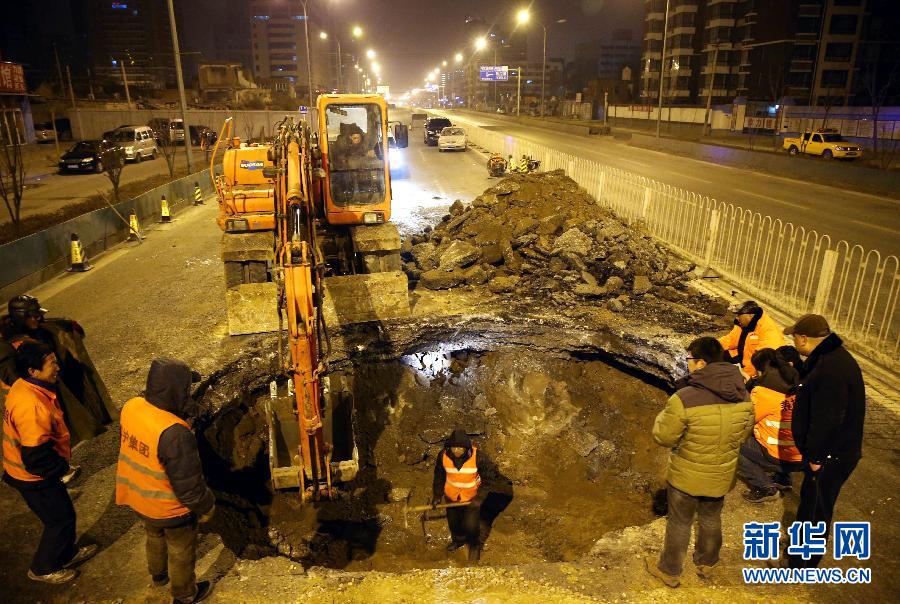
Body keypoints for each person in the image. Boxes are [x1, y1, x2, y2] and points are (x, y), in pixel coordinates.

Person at [646, 337, 754, 588]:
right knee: (710, 518)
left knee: (680, 522)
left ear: (702, 362)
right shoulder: (743, 395)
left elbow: (664, 436)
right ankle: (708, 562)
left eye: (690, 360)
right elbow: (745, 433)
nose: (688, 365)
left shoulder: (686, 397)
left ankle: (670, 571)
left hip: (687, 474)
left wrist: (667, 419)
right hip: (721, 473)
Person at [115, 358, 215, 603]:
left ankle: (158, 576)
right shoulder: (174, 434)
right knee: (181, 549)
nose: (188, 393)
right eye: (185, 389)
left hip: (137, 495)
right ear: (175, 390)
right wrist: (206, 506)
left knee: (154, 535)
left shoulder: (132, 406)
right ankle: (184, 595)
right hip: (168, 507)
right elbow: (189, 487)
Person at [2, 340, 98, 583]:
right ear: (33, 371)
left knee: (64, 515)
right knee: (59, 521)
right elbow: (35, 457)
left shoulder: (25, 386)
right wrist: (60, 469)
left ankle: (67, 552)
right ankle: (43, 567)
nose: (57, 367)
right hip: (34, 477)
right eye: (52, 363)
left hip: (31, 473)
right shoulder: (32, 406)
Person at [784, 314, 865, 569]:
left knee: (815, 510)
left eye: (794, 336)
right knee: (812, 503)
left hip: (831, 456)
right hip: (831, 453)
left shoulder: (831, 369)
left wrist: (817, 457)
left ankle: (802, 565)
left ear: (804, 338)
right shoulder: (829, 359)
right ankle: (800, 552)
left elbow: (827, 419)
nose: (793, 341)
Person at [0, 295, 116, 446]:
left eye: (38, 315)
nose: (38, 319)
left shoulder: (32, 329)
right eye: (33, 317)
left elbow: (48, 326)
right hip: (28, 396)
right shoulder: (8, 347)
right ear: (22, 318)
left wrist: (66, 326)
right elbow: (14, 379)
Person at [738, 348, 803, 502]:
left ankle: (765, 486)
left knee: (731, 442)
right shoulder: (796, 384)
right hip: (801, 456)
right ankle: (783, 479)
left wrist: (746, 390)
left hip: (779, 457)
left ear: (762, 371)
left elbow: (743, 420)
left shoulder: (764, 392)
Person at [431, 428, 499, 563]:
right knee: (454, 523)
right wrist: (437, 495)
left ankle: (474, 548)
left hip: (471, 498)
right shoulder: (443, 456)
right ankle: (458, 541)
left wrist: (479, 498)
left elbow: (490, 480)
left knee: (471, 525)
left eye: (460, 448)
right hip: (451, 497)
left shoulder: (479, 457)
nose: (456, 451)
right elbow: (439, 476)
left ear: (466, 448)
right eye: (453, 448)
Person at [719, 300, 784, 379]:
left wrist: (744, 376)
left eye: (739, 315)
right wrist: (711, 346)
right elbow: (731, 339)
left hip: (757, 370)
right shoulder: (743, 324)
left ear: (750, 315)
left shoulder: (769, 332)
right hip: (742, 358)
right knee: (717, 356)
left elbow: (761, 362)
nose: (737, 318)